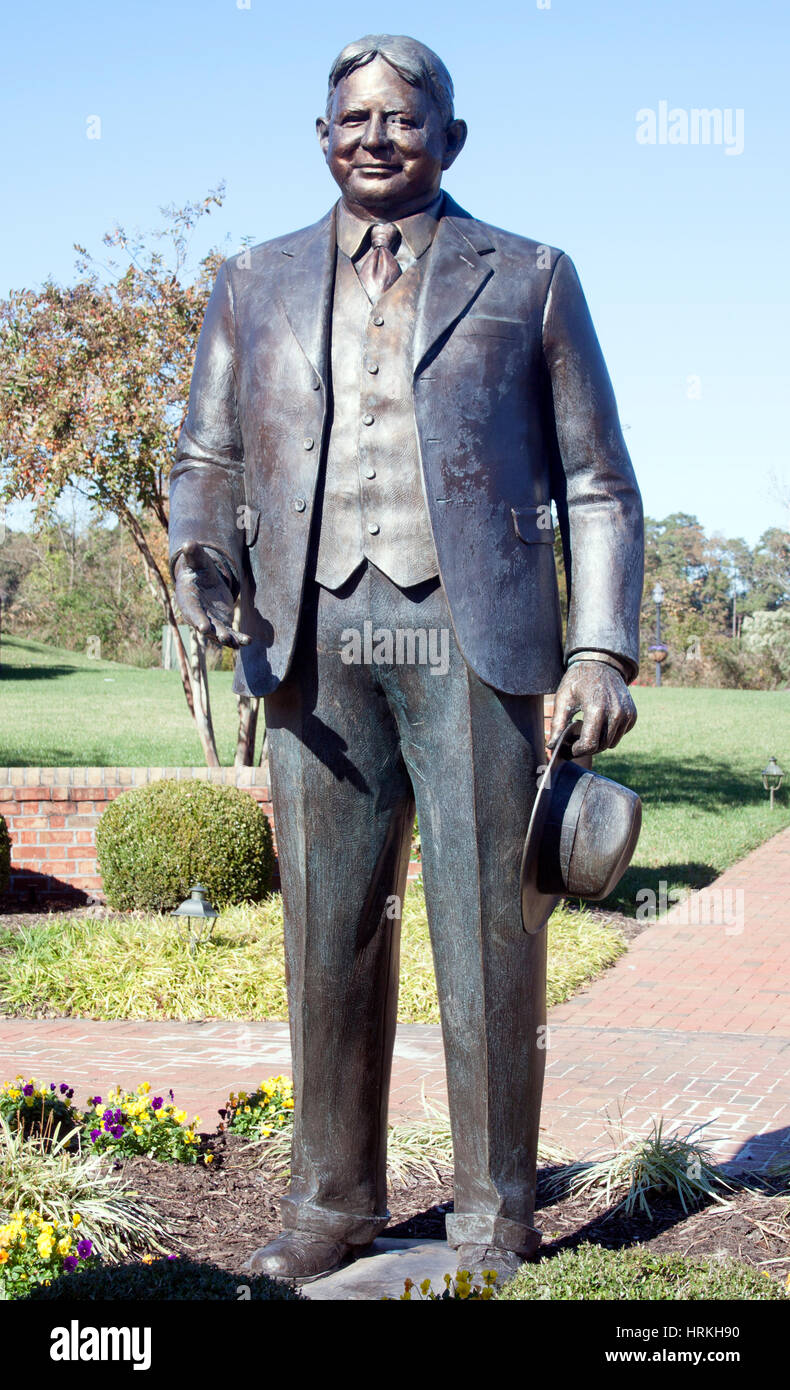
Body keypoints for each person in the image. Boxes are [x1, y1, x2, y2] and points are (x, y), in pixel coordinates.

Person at [169, 33, 644, 1283]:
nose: (376, 135)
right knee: (330, 926)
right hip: (311, 640)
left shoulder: (530, 275)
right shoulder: (250, 280)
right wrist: (200, 557)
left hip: (473, 636)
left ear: (452, 138)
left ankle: (494, 1210)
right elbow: (206, 459)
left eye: (404, 117)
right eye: (352, 117)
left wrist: (599, 648)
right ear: (319, 134)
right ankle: (331, 1201)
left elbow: (596, 484)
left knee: (490, 925)